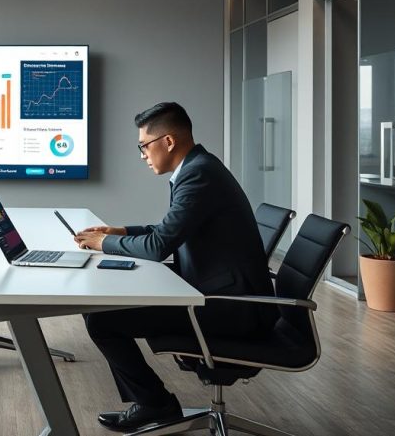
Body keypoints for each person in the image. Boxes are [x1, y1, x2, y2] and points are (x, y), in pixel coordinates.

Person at [73, 102, 276, 433]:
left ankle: (155, 404)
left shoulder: (198, 174)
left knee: (101, 318)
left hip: (229, 308)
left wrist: (102, 244)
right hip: (217, 291)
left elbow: (158, 246)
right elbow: (169, 230)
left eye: (143, 146)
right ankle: (153, 402)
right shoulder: (199, 167)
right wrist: (120, 232)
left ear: (167, 141)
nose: (142, 155)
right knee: (105, 311)